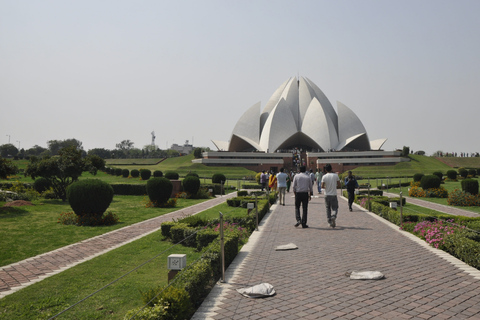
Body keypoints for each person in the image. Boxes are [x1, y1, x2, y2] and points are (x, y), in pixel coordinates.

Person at [321, 164, 341, 228]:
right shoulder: (335, 175)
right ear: (331, 169)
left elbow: (322, 186)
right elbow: (339, 185)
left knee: (328, 208)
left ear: (326, 170)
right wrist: (334, 186)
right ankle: (334, 216)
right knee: (335, 207)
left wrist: (326, 187)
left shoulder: (324, 176)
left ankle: (329, 221)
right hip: (333, 194)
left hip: (327, 194)